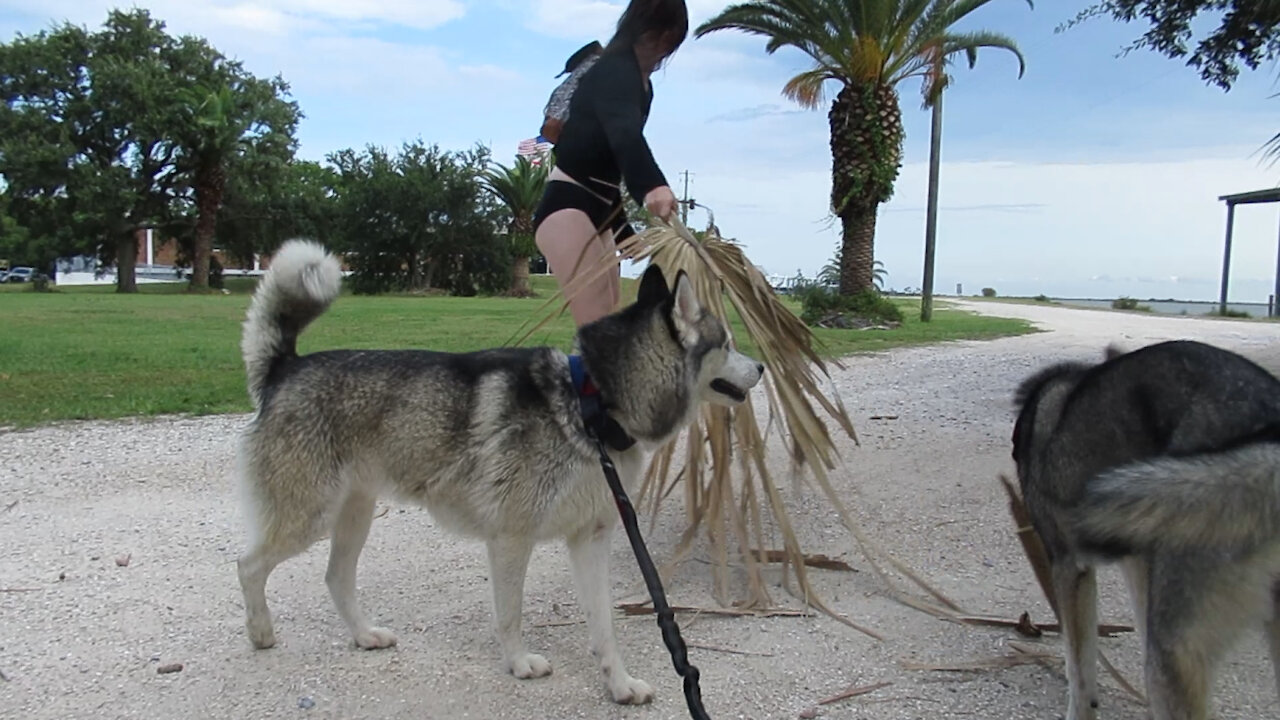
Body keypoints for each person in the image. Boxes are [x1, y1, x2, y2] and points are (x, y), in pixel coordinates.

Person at [532, 0, 687, 327]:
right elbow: (623, 134)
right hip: (567, 205)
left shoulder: (642, 85)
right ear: (649, 32)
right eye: (662, 38)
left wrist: (622, 231)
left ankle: (591, 379)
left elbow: (608, 161)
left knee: (610, 320)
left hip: (600, 210)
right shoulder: (613, 70)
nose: (662, 50)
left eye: (669, 42)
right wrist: (652, 185)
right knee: (599, 327)